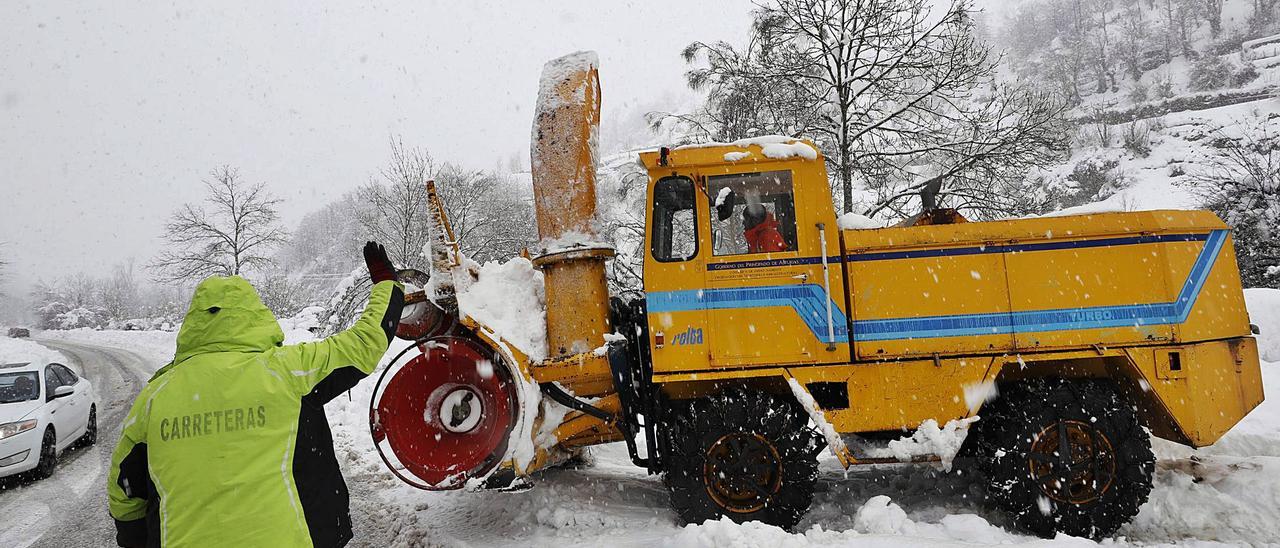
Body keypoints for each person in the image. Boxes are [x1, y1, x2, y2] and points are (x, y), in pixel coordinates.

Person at [107, 242, 405, 548]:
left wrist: (136, 538)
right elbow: (365, 342)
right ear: (255, 314)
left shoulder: (155, 398)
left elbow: (123, 491)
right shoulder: (289, 371)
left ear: (194, 323)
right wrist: (386, 284)